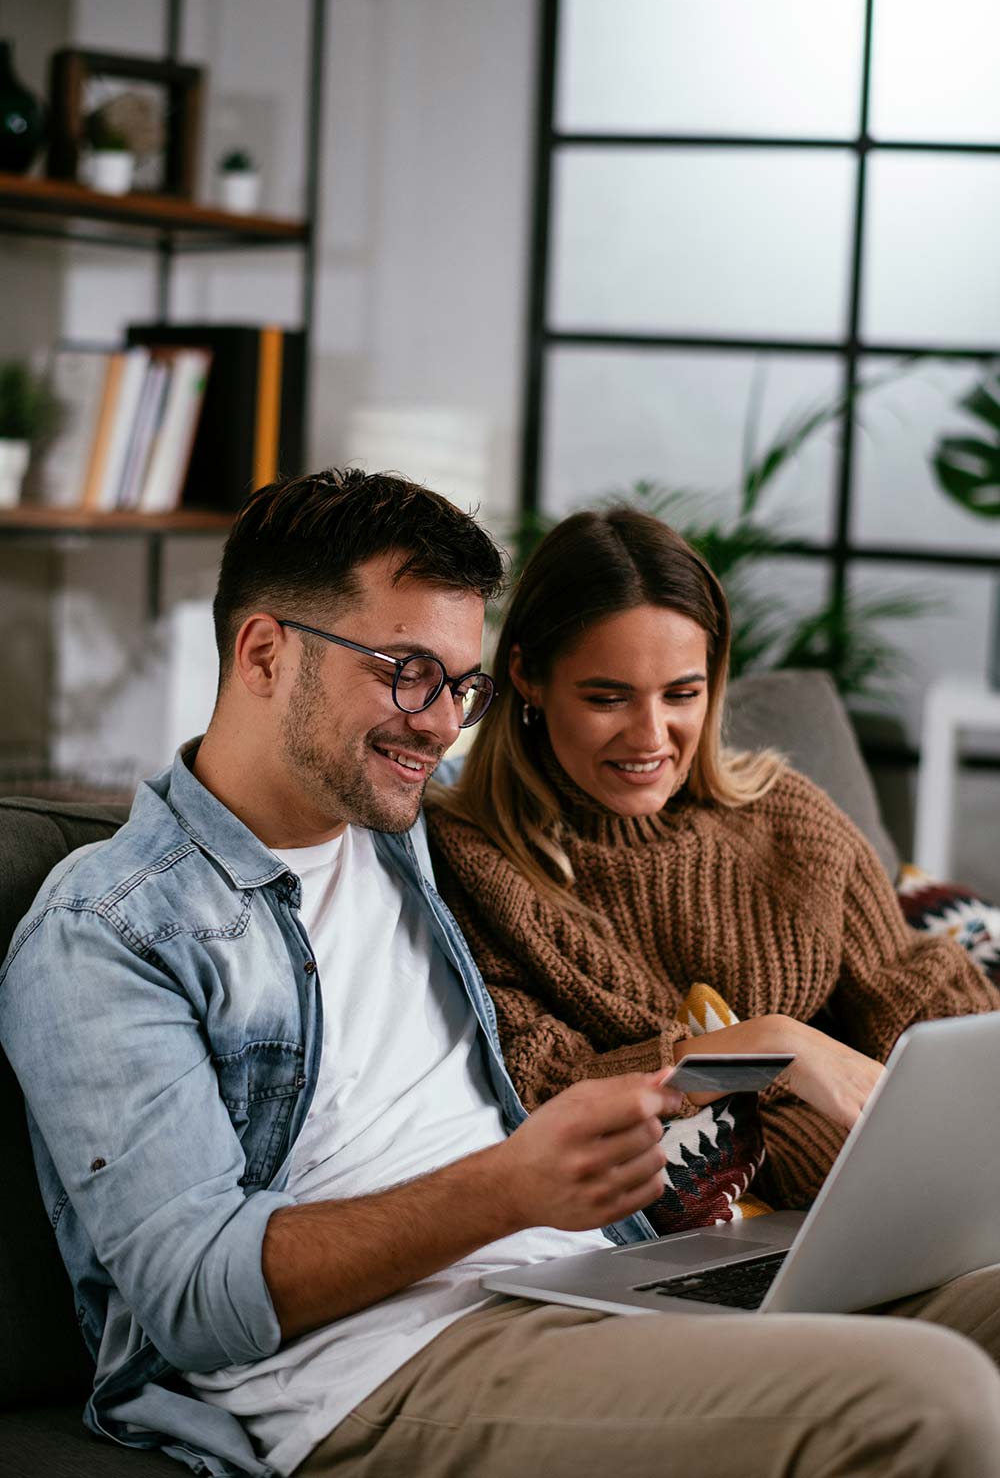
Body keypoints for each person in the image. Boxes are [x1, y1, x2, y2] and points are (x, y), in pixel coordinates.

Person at [2, 473, 1000, 1478]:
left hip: (591, 1279)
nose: (439, 725)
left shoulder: (414, 835)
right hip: (373, 1367)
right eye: (406, 672)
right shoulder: (111, 929)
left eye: (461, 684)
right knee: (934, 1399)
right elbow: (194, 1302)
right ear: (264, 652)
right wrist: (511, 1189)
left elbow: (615, 808)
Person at [426, 507, 1000, 1214]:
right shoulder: (469, 861)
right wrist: (770, 1047)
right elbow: (546, 1087)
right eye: (607, 697)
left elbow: (912, 993)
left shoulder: (786, 817)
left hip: (909, 1200)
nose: (651, 736)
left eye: (682, 694)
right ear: (527, 678)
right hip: (720, 1236)